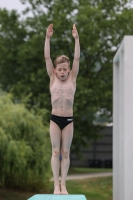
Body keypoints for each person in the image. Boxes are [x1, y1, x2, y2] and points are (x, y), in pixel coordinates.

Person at [44, 23, 80, 195]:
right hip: (55, 118)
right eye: (60, 69)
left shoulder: (73, 77)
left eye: (66, 69)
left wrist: (76, 39)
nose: (63, 71)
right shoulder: (52, 78)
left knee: (65, 153)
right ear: (56, 71)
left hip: (68, 121)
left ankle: (63, 184)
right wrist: (47, 38)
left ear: (69, 70)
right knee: (55, 151)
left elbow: (77, 59)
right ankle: (55, 185)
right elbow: (47, 58)